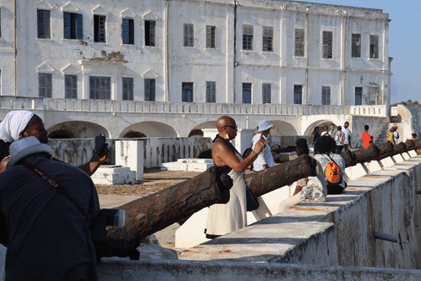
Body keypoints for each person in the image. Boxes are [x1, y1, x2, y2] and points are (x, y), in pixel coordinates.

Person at [0, 137, 100, 280]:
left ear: (14, 161)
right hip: (78, 269)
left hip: (24, 270)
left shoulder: (4, 180)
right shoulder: (81, 177)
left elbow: (3, 235)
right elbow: (93, 220)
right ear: (46, 154)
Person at [205, 116, 266, 238]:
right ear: (224, 128)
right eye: (234, 127)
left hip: (237, 194)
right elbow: (238, 167)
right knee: (227, 231)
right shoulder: (219, 145)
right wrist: (256, 152)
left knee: (236, 232)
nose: (236, 130)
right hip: (229, 197)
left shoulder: (227, 144)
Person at [0, 110, 107, 175]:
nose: (45, 132)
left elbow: (75, 173)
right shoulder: (8, 164)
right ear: (23, 135)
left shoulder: (44, 159)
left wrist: (97, 158)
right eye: (40, 129)